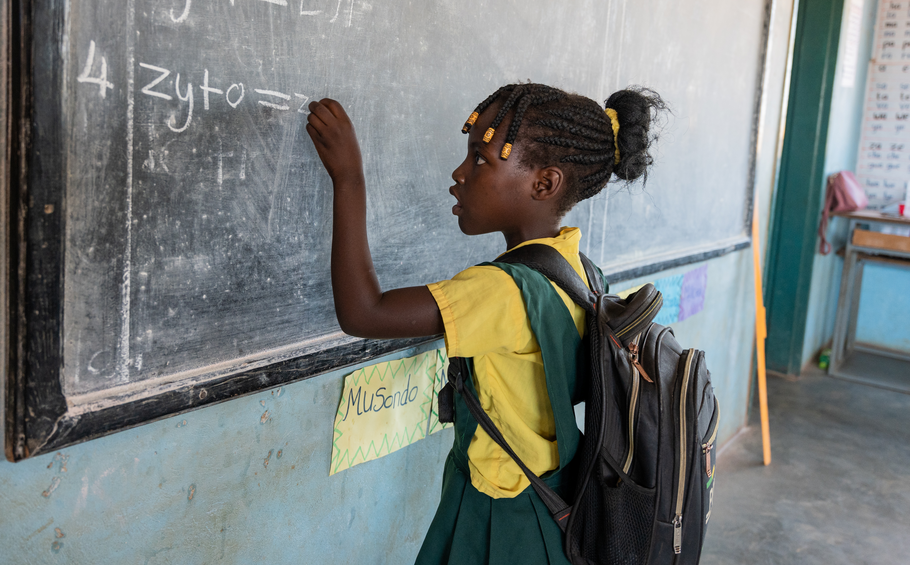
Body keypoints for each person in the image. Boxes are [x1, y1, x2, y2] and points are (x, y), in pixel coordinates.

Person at [305, 82, 665, 565]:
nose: (459, 172)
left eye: (480, 158)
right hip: (552, 496)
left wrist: (349, 179)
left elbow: (363, 312)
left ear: (544, 183)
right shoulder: (580, 269)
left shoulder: (503, 289)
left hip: (502, 513)